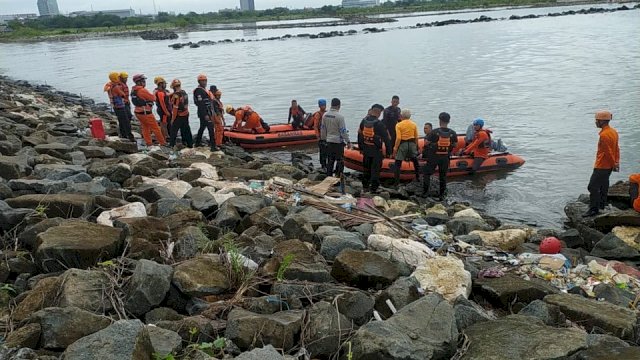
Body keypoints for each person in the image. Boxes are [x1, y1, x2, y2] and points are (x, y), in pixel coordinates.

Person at [583, 110, 620, 217]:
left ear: (602, 122)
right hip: (609, 166)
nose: (595, 122)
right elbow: (617, 149)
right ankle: (602, 205)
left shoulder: (604, 135)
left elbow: (608, 152)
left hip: (602, 165)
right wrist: (616, 162)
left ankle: (594, 209)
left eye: (597, 120)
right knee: (604, 185)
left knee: (592, 187)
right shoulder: (613, 132)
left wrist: (613, 164)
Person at [423, 112, 458, 200]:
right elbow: (455, 145)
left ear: (439, 120)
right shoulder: (453, 133)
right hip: (445, 157)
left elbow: (426, 142)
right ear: (449, 121)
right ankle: (442, 195)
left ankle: (425, 193)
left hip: (433, 156)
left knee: (427, 173)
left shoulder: (434, 132)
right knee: (443, 176)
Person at [358, 104, 391, 193]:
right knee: (375, 170)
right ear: (379, 112)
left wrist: (361, 147)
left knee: (366, 169)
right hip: (376, 151)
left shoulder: (363, 121)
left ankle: (365, 186)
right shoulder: (379, 124)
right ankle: (373, 188)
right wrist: (389, 152)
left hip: (366, 149)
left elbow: (360, 134)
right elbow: (386, 139)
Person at [131, 74, 166, 147]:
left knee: (145, 127)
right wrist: (154, 93)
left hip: (138, 112)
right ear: (139, 82)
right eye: (143, 81)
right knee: (155, 128)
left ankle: (149, 143)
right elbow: (153, 98)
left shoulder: (134, 90)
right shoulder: (142, 90)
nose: (144, 82)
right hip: (145, 112)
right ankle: (163, 143)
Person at [321, 98, 350, 177]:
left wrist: (323, 139)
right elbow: (343, 131)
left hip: (329, 140)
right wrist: (348, 141)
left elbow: (323, 128)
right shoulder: (340, 117)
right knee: (340, 160)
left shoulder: (325, 115)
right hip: (338, 142)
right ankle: (338, 176)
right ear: (339, 105)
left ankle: (329, 176)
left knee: (330, 160)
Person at [392, 109, 420, 186]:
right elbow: (416, 137)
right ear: (410, 116)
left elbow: (398, 138)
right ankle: (418, 178)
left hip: (403, 144)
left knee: (398, 163)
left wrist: (395, 148)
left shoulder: (398, 125)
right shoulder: (414, 124)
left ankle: (396, 182)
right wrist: (416, 146)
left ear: (401, 116)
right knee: (415, 161)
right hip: (412, 144)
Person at [105, 72, 134, 141]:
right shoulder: (116, 87)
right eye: (118, 77)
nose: (119, 79)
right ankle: (130, 136)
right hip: (120, 106)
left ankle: (123, 135)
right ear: (115, 78)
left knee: (121, 121)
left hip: (116, 107)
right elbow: (122, 95)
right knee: (126, 122)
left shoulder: (110, 86)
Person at [193, 74, 217, 151]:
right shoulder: (199, 91)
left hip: (207, 112)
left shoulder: (204, 90)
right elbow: (200, 104)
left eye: (205, 81)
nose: (204, 82)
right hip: (204, 113)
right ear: (199, 82)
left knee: (202, 127)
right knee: (210, 128)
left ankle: (197, 143)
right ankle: (213, 146)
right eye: (202, 81)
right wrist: (205, 114)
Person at [168, 79, 193, 148]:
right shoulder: (184, 92)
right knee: (186, 129)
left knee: (173, 130)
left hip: (179, 115)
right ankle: (189, 144)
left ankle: (171, 145)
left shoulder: (176, 96)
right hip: (186, 113)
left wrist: (173, 119)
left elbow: (175, 108)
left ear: (173, 87)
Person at [153, 76, 172, 142]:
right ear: (160, 84)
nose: (165, 85)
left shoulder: (164, 91)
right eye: (164, 83)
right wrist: (166, 112)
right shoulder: (159, 93)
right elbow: (162, 104)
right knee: (164, 123)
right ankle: (165, 137)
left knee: (168, 122)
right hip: (163, 111)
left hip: (166, 109)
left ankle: (168, 134)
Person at [311, 99, 328, 169]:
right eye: (322, 105)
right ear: (319, 106)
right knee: (322, 152)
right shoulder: (318, 115)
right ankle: (323, 165)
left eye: (324, 105)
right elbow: (315, 126)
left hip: (327, 135)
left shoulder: (327, 113)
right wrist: (318, 136)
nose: (324, 107)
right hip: (321, 136)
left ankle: (326, 164)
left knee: (327, 151)